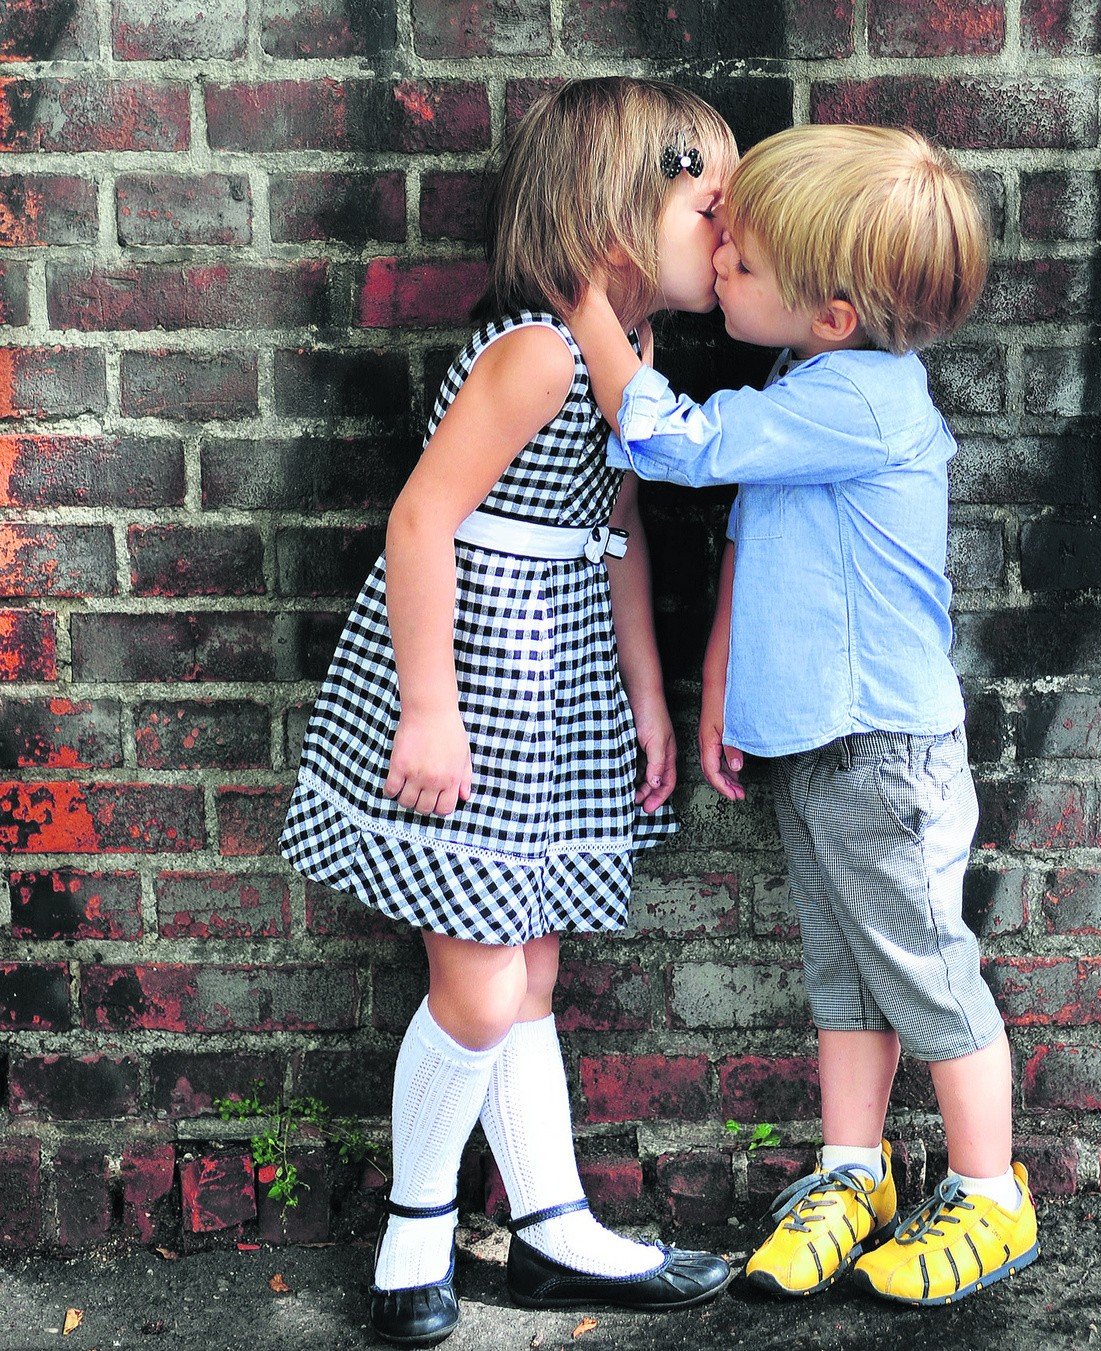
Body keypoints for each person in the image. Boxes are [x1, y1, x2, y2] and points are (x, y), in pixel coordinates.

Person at [279, 77, 737, 1346]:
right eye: (711, 205)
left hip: (559, 690)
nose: (731, 232)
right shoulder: (536, 352)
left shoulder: (631, 359)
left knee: (527, 969)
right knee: (480, 989)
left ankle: (553, 1227)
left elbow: (621, 528)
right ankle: (413, 1229)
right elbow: (422, 518)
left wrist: (648, 693)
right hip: (470, 683)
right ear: (615, 220)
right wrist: (428, 707)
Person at [565, 122, 1039, 1308]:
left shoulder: (863, 400)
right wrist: (728, 688)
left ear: (830, 312)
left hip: (882, 752)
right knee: (848, 976)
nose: (718, 256)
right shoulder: (811, 383)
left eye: (746, 256)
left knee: (927, 977)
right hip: (817, 741)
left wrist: (590, 318)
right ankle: (852, 1173)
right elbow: (755, 542)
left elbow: (672, 445)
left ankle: (990, 1192)